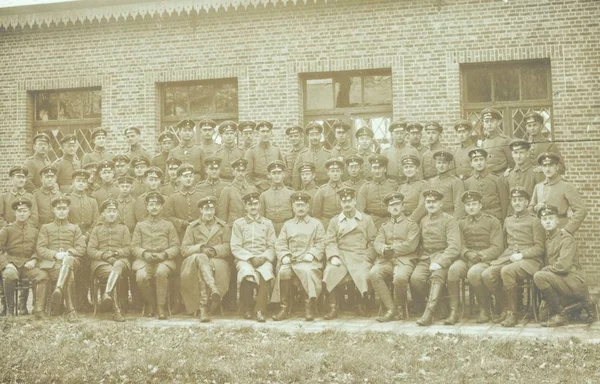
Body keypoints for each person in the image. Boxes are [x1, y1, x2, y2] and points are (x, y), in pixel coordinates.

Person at [481, 187, 545, 327]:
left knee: (506, 271)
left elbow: (540, 247)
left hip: (529, 260)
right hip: (509, 257)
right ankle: (505, 306)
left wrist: (522, 254)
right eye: (514, 200)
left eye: (520, 200)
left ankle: (512, 313)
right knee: (487, 274)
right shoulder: (508, 220)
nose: (517, 203)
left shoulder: (534, 221)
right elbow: (504, 243)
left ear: (527, 202)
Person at [444, 191, 503, 325]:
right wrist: (467, 254)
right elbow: (460, 244)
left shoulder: (492, 221)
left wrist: (480, 255)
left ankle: (484, 308)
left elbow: (497, 247)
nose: (471, 207)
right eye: (468, 205)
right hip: (467, 258)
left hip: (485, 259)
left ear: (480, 205)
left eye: (474, 204)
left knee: (474, 273)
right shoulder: (461, 223)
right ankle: (454, 310)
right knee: (453, 270)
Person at [534, 205, 595, 327]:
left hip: (573, 281)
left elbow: (564, 266)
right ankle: (582, 303)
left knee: (539, 276)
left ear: (557, 220)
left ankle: (561, 315)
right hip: (560, 281)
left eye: (550, 218)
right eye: (544, 219)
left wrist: (545, 270)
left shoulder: (566, 238)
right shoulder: (547, 240)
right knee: (543, 316)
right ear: (541, 222)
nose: (547, 222)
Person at [323, 187, 377, 319]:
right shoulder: (335, 221)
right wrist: (333, 256)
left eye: (349, 200)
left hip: (360, 254)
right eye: (343, 201)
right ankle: (333, 307)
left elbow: (373, 241)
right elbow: (330, 241)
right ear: (341, 204)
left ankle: (360, 304)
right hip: (341, 255)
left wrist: (368, 257)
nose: (346, 204)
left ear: (354, 202)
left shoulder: (366, 219)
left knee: (363, 271)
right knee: (331, 270)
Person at [272, 192, 325, 321]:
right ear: (293, 207)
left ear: (308, 207)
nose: (300, 208)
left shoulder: (316, 224)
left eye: (303, 205)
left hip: (308, 261)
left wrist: (312, 254)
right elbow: (280, 243)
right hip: (292, 260)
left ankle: (309, 307)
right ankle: (284, 307)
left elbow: (321, 243)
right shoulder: (288, 224)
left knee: (307, 272)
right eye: (297, 205)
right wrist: (284, 255)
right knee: (283, 272)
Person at [410, 189, 461, 326]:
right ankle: (441, 303)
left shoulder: (449, 221)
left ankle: (429, 314)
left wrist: (440, 262)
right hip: (425, 257)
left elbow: (454, 246)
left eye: (434, 202)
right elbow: (419, 243)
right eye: (428, 202)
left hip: (442, 256)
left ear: (441, 203)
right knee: (415, 279)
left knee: (437, 277)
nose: (431, 204)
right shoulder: (423, 220)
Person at [369, 192, 420, 322]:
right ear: (388, 209)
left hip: (405, 260)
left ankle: (400, 306)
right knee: (374, 273)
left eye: (397, 204)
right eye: (392, 205)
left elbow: (410, 245)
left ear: (403, 206)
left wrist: (391, 250)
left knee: (400, 277)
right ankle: (391, 309)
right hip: (386, 260)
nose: (395, 207)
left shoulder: (411, 224)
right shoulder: (384, 226)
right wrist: (382, 249)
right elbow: (378, 242)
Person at [180, 196, 231, 322]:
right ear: (201, 210)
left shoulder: (223, 226)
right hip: (194, 260)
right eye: (206, 209)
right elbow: (184, 249)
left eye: (212, 209)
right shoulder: (192, 227)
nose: (209, 212)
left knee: (202, 269)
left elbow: (229, 246)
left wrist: (214, 250)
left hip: (216, 259)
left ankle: (203, 308)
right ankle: (213, 290)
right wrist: (200, 248)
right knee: (202, 258)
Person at [37, 195, 86, 320]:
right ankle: (71, 311)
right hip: (53, 264)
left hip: (73, 261)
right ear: (53, 210)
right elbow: (40, 248)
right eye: (59, 208)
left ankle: (59, 289)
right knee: (68, 274)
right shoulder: (46, 228)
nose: (61, 211)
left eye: (64, 208)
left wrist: (69, 252)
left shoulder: (75, 228)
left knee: (68, 261)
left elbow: (81, 248)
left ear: (68, 210)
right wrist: (55, 254)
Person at [132, 192, 180, 320]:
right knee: (140, 277)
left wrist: (164, 254)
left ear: (161, 207)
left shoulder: (168, 224)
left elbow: (175, 246)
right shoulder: (140, 225)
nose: (154, 207)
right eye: (151, 204)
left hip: (164, 259)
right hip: (145, 260)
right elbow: (134, 246)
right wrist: (144, 253)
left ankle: (161, 306)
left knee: (161, 272)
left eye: (157, 205)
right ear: (146, 207)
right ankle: (150, 303)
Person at [230, 191, 277, 322]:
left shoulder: (267, 223)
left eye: (255, 204)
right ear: (245, 206)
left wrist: (264, 257)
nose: (253, 207)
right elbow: (235, 246)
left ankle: (260, 309)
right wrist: (250, 258)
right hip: (245, 258)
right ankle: (248, 308)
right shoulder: (239, 224)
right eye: (250, 204)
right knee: (246, 272)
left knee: (266, 272)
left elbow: (272, 245)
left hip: (263, 257)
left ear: (259, 205)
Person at [87, 199, 131, 322]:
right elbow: (91, 250)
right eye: (108, 211)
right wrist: (105, 255)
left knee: (117, 266)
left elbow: (128, 248)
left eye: (114, 211)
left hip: (120, 261)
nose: (111, 214)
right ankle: (116, 310)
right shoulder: (97, 229)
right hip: (101, 263)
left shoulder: (124, 229)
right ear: (103, 214)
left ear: (117, 213)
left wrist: (117, 253)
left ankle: (107, 294)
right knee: (113, 272)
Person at [529, 152, 587, 235]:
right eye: (545, 166)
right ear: (541, 168)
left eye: (550, 165)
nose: (547, 169)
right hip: (541, 233)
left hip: (560, 231)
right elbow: (530, 210)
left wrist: (568, 229)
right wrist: (535, 208)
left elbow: (581, 211)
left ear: (557, 167)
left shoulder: (566, 186)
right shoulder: (538, 186)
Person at [0, 198, 39, 316]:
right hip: (11, 263)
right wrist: (6, 264)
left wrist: (34, 259)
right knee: (10, 275)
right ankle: (10, 310)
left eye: (24, 211)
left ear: (29, 213)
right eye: (19, 211)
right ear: (15, 213)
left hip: (28, 263)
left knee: (42, 275)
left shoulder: (34, 231)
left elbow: (38, 249)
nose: (22, 214)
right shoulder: (7, 230)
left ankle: (29, 308)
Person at [463, 148, 508, 222]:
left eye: (481, 159)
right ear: (471, 163)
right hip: (476, 219)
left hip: (495, 217)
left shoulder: (496, 179)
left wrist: (504, 221)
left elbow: (504, 202)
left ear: (486, 161)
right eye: (475, 160)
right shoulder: (467, 182)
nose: (479, 163)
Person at [420, 150, 465, 220]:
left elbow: (459, 206)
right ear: (436, 164)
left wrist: (454, 221)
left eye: (444, 163)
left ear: (449, 165)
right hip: (433, 217)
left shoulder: (456, 181)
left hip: (449, 217)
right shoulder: (431, 181)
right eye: (439, 163)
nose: (441, 166)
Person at [357, 154, 399, 229]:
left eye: (380, 168)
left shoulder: (394, 185)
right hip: (372, 223)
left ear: (385, 169)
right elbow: (360, 210)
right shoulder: (365, 187)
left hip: (392, 222)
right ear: (371, 170)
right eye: (374, 168)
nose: (377, 171)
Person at [163, 163, 203, 239]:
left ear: (193, 178)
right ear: (179, 178)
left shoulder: (201, 195)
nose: (188, 179)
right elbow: (169, 217)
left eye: (190, 176)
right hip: (180, 234)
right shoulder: (173, 197)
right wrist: (182, 223)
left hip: (199, 233)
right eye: (185, 176)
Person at [244, 121, 285, 192]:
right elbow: (247, 174)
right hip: (259, 188)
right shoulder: (251, 151)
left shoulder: (277, 149)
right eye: (262, 131)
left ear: (271, 133)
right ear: (257, 133)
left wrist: (279, 180)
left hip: (276, 186)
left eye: (267, 131)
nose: (265, 134)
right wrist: (254, 187)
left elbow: (285, 170)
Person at [217, 158, 258, 224]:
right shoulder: (227, 190)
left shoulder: (252, 189)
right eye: (238, 171)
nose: (241, 173)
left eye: (243, 171)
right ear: (233, 172)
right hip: (233, 227)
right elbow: (222, 214)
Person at [258, 160, 294, 236]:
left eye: (279, 173)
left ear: (283, 174)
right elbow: (261, 217)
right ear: (269, 175)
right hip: (270, 229)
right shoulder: (264, 195)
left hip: (288, 228)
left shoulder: (291, 193)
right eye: (274, 173)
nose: (277, 176)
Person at [293, 122, 331, 188]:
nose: (314, 137)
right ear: (307, 137)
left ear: (321, 136)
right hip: (307, 192)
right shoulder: (302, 155)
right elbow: (296, 177)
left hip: (324, 190)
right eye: (312, 135)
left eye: (317, 134)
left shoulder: (328, 154)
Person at [312, 158, 345, 230]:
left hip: (344, 223)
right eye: (332, 171)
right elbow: (316, 213)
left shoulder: (346, 188)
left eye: (337, 171)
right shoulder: (322, 190)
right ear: (328, 172)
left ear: (342, 172)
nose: (335, 174)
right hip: (326, 224)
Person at [481, 108, 514, 175]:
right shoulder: (483, 143)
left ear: (498, 122)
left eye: (492, 121)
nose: (489, 124)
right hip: (487, 177)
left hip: (501, 176)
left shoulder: (505, 140)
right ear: (483, 124)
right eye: (486, 121)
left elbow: (513, 163)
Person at [399, 155, 427, 220]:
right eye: (406, 167)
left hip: (417, 220)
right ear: (403, 170)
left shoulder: (423, 185)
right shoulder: (401, 187)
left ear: (416, 169)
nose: (408, 169)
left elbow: (422, 207)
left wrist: (410, 220)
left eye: (411, 167)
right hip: (402, 219)